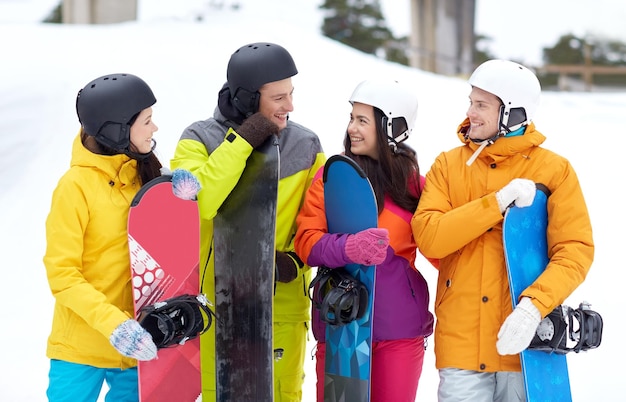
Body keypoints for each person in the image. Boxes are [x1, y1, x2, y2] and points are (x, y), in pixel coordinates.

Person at [411, 59, 594, 402]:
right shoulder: (448, 165)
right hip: (461, 345)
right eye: (471, 101)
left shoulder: (554, 170)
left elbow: (575, 251)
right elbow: (430, 236)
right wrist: (495, 204)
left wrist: (532, 308)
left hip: (525, 342)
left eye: (481, 105)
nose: (470, 113)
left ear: (512, 114)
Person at [170, 42, 325, 401]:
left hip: (281, 307)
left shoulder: (305, 144)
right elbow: (202, 203)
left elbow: (318, 218)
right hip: (217, 309)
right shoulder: (197, 139)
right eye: (278, 98)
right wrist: (242, 141)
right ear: (246, 98)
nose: (290, 106)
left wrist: (297, 258)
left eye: (291, 95)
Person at [294, 79, 435, 402]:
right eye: (352, 118)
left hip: (399, 328)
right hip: (343, 324)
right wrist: (348, 247)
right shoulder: (331, 178)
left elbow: (442, 249)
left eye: (362, 121)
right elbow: (306, 243)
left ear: (392, 127)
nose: (352, 129)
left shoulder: (417, 187)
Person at [43, 73, 162, 402]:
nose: (155, 129)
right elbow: (63, 275)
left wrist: (177, 198)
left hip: (135, 349)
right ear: (118, 130)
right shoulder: (75, 188)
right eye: (147, 121)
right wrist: (114, 325)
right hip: (81, 350)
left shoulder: (142, 174)